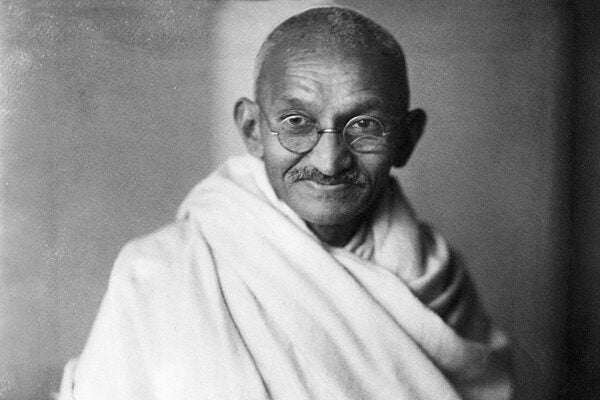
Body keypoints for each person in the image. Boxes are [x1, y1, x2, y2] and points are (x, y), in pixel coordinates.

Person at [59, 6, 513, 400]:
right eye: (297, 122)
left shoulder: (438, 280)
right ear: (254, 130)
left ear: (407, 139)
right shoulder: (160, 270)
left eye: (364, 125)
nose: (330, 160)